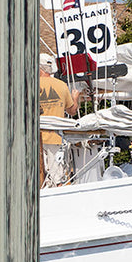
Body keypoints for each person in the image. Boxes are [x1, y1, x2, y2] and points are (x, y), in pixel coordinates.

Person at [38, 56, 78, 187]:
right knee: (58, 178)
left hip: (37, 139)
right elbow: (72, 111)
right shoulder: (61, 85)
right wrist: (75, 98)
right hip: (56, 137)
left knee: (39, 177)